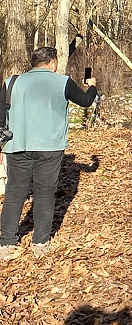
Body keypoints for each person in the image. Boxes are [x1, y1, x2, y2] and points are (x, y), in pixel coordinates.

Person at [0, 47, 98, 260]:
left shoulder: (11, 82)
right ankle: (40, 243)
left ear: (33, 62)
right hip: (50, 147)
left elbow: (1, 117)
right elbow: (85, 101)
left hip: (17, 145)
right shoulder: (62, 82)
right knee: (44, 193)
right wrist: (92, 87)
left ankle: (6, 243)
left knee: (15, 192)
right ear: (53, 62)